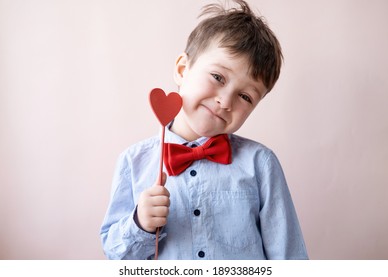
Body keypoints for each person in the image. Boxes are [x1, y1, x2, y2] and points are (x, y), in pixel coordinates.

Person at [100, 0, 308, 260]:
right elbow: (116, 256)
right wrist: (140, 223)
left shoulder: (261, 164)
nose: (225, 101)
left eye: (245, 96)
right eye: (218, 77)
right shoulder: (133, 162)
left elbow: (289, 257)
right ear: (182, 70)